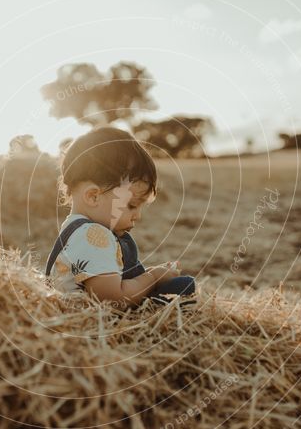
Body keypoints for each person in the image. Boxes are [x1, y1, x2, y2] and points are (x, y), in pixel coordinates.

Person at [45, 127, 196, 308]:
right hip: (92, 328)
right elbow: (114, 299)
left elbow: (109, 280)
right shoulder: (93, 235)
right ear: (93, 196)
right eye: (131, 205)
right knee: (183, 287)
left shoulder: (75, 229)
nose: (137, 216)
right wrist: (153, 277)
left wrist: (152, 274)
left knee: (176, 285)